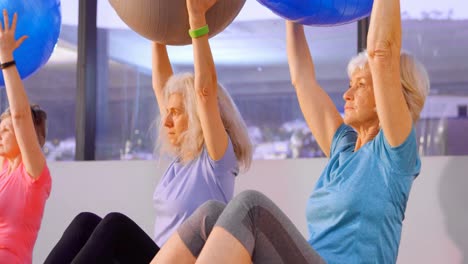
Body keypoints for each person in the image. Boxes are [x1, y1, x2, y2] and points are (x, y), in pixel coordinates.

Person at [151, 0, 430, 263]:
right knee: (211, 215)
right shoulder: (343, 148)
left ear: (392, 96)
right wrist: (291, 8)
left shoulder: (394, 155)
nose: (347, 94)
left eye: (360, 85)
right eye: (350, 84)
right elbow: (302, 79)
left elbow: (382, 53)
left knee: (252, 208)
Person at [44, 0, 252, 263]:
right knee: (85, 223)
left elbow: (205, 91)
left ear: (198, 115)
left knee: (115, 226)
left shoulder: (216, 162)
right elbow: (161, 82)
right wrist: (155, 24)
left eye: (175, 113)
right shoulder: (181, 161)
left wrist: (197, 17)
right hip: (159, 258)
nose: (166, 121)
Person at [0, 10, 51, 263]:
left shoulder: (34, 174)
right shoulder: (2, 169)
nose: (0, 135)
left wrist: (6, 58)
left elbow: (20, 116)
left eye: (5, 130)